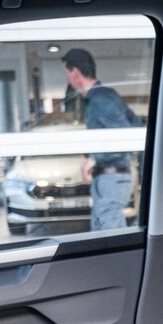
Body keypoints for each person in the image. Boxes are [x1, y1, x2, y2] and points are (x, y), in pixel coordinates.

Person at [62, 48, 137, 231]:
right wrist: (92, 158)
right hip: (109, 177)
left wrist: (95, 159)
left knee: (111, 239)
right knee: (102, 234)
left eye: (67, 74)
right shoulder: (103, 96)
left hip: (112, 178)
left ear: (75, 73)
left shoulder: (101, 99)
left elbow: (125, 136)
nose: (68, 79)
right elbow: (133, 122)